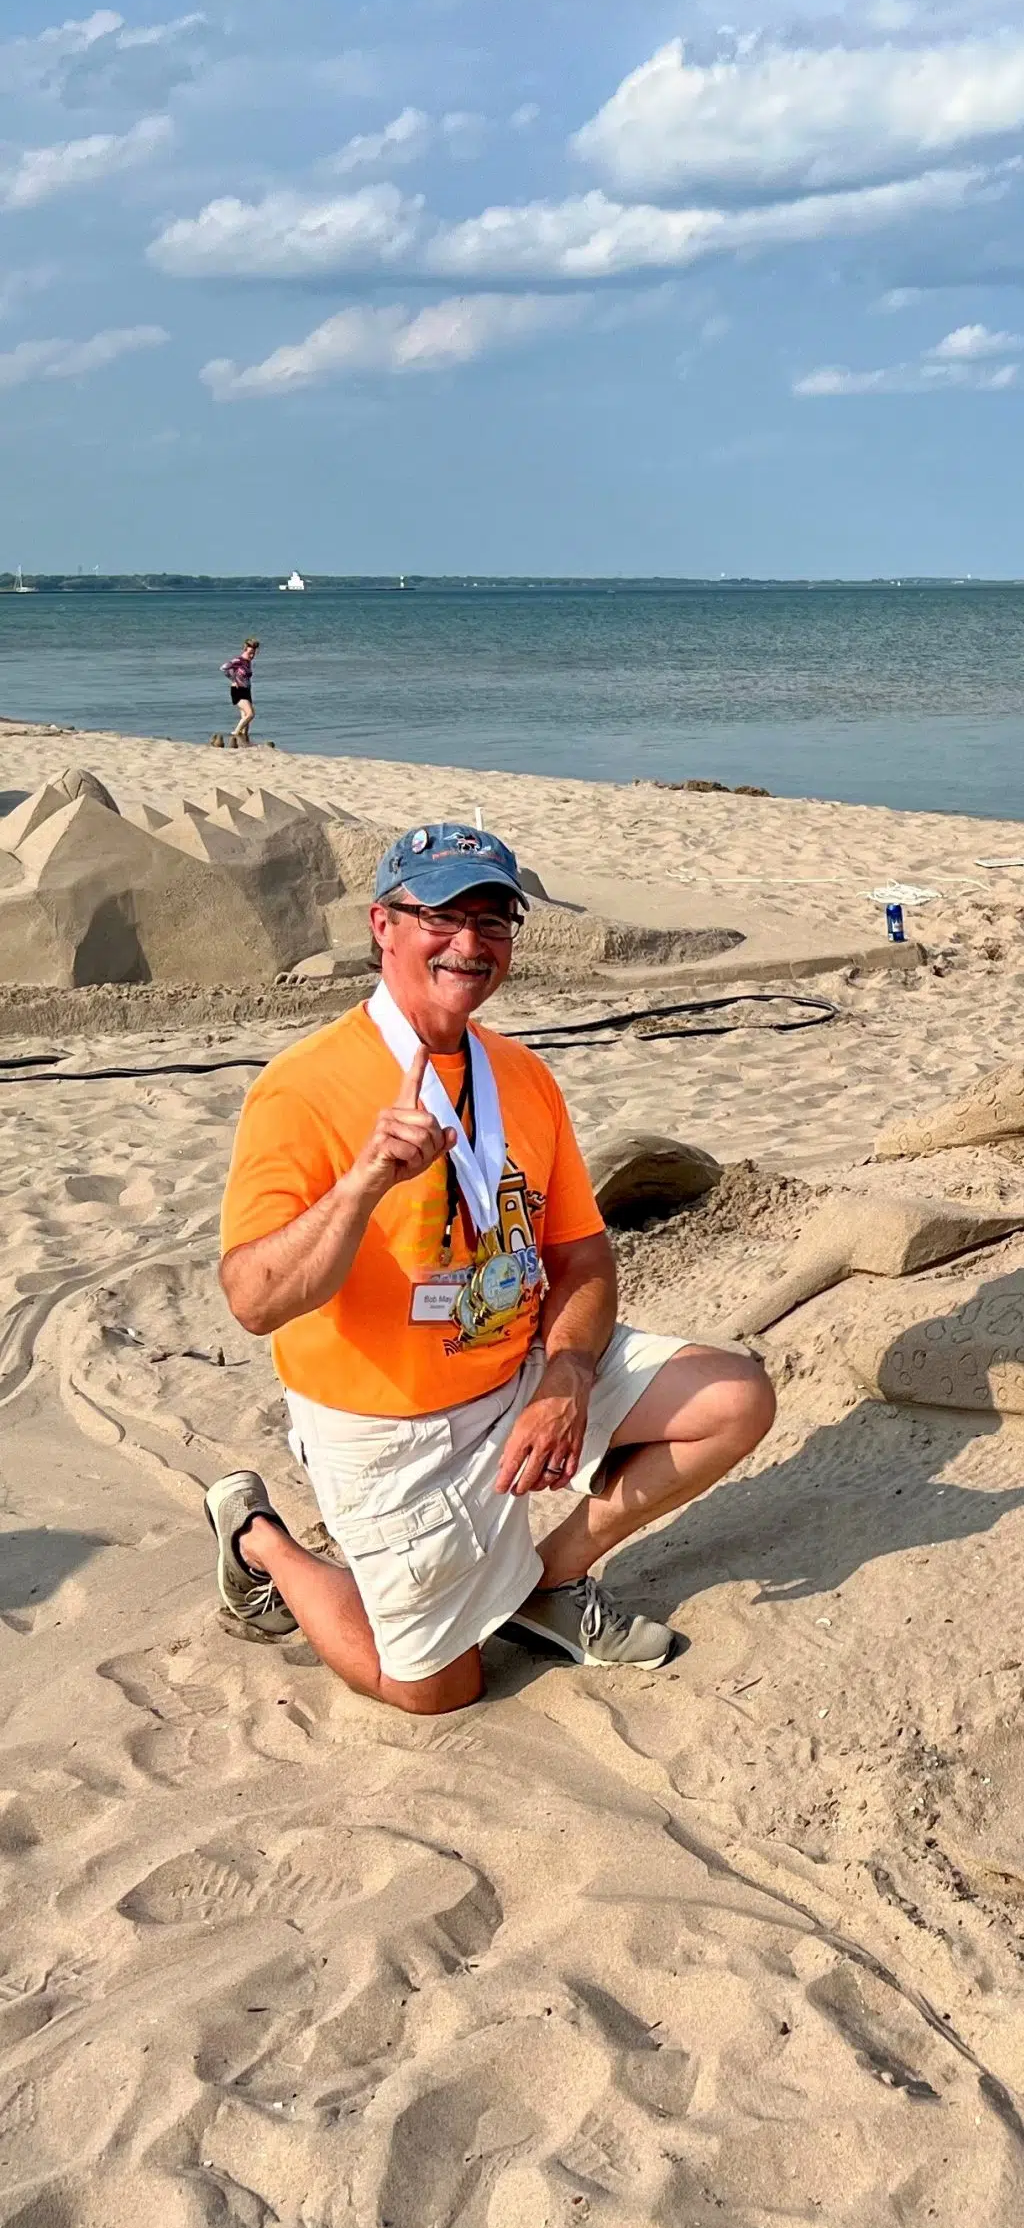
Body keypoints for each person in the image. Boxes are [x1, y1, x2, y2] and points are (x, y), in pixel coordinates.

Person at [204, 821, 776, 1714]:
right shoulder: (303, 1087)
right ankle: (259, 1539)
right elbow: (253, 1300)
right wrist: (360, 1187)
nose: (470, 942)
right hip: (390, 1424)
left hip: (515, 1374)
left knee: (736, 1397)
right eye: (441, 914)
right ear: (382, 925)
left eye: (494, 918)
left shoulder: (522, 1076)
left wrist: (568, 1371)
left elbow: (580, 1253)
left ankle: (547, 1585)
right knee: (438, 1693)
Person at [222, 637, 260, 745]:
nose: (252, 656)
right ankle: (235, 733)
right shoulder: (239, 660)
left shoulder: (248, 662)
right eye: (250, 653)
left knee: (245, 720)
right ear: (245, 649)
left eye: (254, 653)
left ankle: (243, 741)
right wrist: (233, 678)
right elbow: (224, 667)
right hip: (237, 690)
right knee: (250, 714)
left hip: (247, 690)